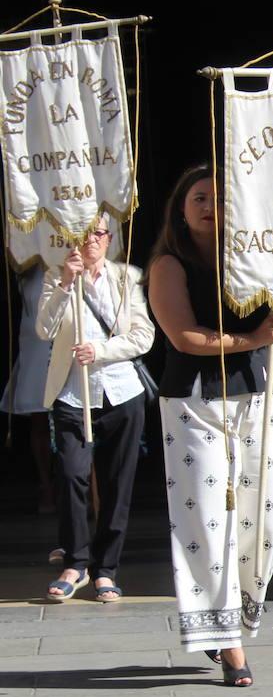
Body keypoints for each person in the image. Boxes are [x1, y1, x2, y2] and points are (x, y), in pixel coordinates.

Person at [147, 165, 273, 687]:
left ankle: (240, 607)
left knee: (268, 509)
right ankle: (226, 640)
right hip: (195, 404)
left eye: (218, 197)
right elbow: (185, 336)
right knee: (209, 518)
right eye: (199, 197)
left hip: (259, 395)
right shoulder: (170, 264)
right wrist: (254, 338)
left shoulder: (254, 258)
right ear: (181, 208)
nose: (210, 205)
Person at [36, 214, 154, 604]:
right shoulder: (57, 276)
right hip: (73, 394)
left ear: (110, 239)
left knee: (117, 482)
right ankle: (75, 562)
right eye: (84, 233)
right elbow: (44, 329)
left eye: (99, 233)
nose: (91, 241)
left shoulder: (128, 278)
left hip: (121, 393)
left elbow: (144, 335)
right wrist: (67, 283)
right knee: (71, 475)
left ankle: (106, 569)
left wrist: (101, 351)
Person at [2, 265, 57, 521]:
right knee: (40, 414)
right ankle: (46, 485)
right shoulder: (31, 272)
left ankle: (87, 487)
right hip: (37, 335)